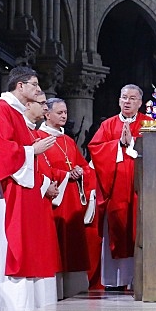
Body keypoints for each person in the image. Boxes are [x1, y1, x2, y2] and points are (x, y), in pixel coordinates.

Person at [0, 66, 60, 311]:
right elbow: (1, 153)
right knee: (4, 245)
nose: (37, 90)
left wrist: (31, 151)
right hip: (5, 195)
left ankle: (18, 308)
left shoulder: (15, 112)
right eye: (34, 84)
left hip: (18, 191)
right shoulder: (1, 110)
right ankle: (5, 308)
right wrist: (33, 150)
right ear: (20, 86)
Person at [88, 85, 152, 290]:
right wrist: (117, 145)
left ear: (140, 103)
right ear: (118, 100)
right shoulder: (108, 125)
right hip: (114, 189)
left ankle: (139, 279)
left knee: (139, 229)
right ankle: (115, 281)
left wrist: (133, 144)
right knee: (116, 229)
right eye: (124, 97)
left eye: (133, 98)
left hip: (140, 190)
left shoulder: (149, 124)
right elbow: (95, 149)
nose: (127, 102)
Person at [40, 98, 101, 297]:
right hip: (54, 199)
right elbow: (40, 169)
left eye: (65, 112)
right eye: (60, 113)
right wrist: (65, 175)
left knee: (73, 243)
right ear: (47, 114)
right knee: (56, 243)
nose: (64, 116)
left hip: (72, 199)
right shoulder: (39, 137)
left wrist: (79, 171)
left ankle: (74, 289)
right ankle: (54, 290)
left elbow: (84, 165)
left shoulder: (68, 140)